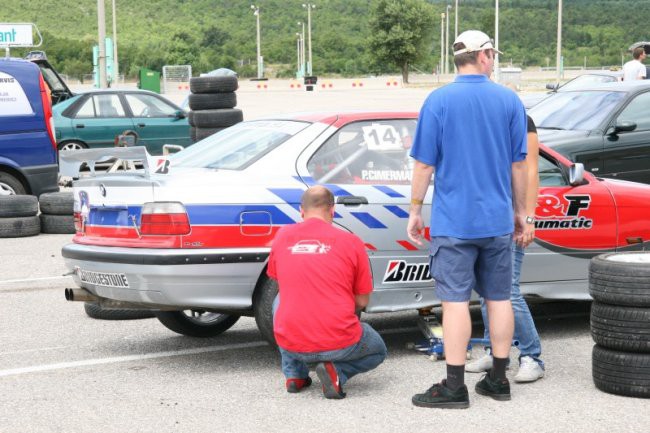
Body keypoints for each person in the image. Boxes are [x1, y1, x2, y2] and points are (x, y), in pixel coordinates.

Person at [407, 30, 530, 409]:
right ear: (485, 55)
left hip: (454, 222)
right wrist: (522, 212)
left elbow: (425, 163)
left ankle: (454, 387)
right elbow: (519, 164)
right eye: (493, 54)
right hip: (496, 221)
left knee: (455, 302)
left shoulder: (438, 100)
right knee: (499, 298)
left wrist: (414, 209)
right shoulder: (509, 100)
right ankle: (498, 380)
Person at [266, 185, 387, 399]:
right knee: (378, 349)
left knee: (281, 301)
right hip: (338, 342)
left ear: (301, 211)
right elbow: (362, 300)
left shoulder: (282, 236)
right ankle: (336, 371)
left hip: (290, 342)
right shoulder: (351, 242)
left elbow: (279, 281)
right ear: (332, 211)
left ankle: (294, 375)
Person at [466, 114, 544, 383]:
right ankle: (495, 351)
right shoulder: (481, 118)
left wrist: (528, 217)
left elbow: (531, 170)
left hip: (512, 219)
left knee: (506, 291)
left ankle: (531, 356)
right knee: (487, 291)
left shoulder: (520, 119)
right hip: (486, 217)